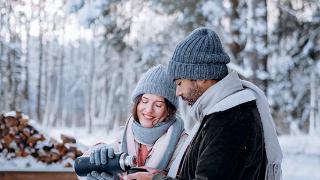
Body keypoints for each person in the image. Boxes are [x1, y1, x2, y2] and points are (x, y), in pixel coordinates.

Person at [126, 27, 283, 180]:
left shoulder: (230, 122)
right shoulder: (222, 114)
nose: (178, 92)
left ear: (201, 76)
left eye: (180, 83)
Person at [83, 64, 187, 180]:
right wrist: (97, 151)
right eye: (144, 101)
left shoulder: (182, 144)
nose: (148, 110)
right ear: (137, 102)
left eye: (158, 105)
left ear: (169, 110)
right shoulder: (126, 135)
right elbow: (81, 170)